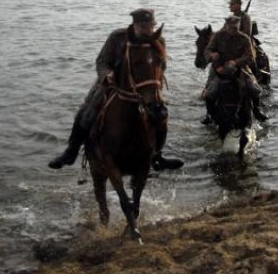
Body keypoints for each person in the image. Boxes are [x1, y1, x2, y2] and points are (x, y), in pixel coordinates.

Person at [48, 9, 183, 171]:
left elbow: (162, 65)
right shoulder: (117, 37)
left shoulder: (158, 41)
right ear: (135, 25)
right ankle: (71, 152)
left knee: (161, 114)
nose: (148, 30)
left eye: (151, 26)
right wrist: (107, 75)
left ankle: (157, 156)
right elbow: (101, 61)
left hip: (143, 86)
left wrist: (153, 80)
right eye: (144, 27)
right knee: (87, 112)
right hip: (113, 84)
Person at [202, 15, 267, 123]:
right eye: (231, 28)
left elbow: (250, 56)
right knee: (210, 93)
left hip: (241, 70)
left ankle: (256, 110)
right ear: (226, 26)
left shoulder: (244, 38)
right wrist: (212, 56)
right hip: (222, 70)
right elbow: (207, 50)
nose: (233, 30)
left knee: (255, 90)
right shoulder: (218, 36)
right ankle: (209, 114)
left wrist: (236, 62)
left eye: (236, 28)